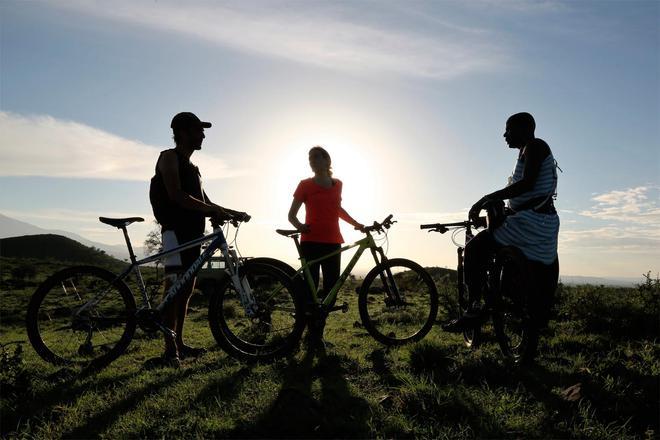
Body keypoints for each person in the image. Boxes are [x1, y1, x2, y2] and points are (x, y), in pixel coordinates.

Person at [443, 112, 560, 332]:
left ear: (525, 129)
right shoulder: (530, 150)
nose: (504, 134)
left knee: (476, 247)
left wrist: (488, 198)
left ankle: (475, 307)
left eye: (509, 129)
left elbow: (526, 184)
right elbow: (528, 189)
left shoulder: (535, 146)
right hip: (543, 223)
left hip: (530, 222)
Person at [149, 111, 247, 367]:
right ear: (182, 132)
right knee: (173, 287)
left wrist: (230, 212)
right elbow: (176, 195)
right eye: (197, 129)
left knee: (187, 289)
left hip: (193, 234)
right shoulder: (168, 158)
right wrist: (211, 210)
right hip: (175, 231)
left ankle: (179, 343)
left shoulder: (194, 168)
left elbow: (206, 202)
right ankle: (170, 350)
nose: (202, 134)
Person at [287, 146, 364, 347]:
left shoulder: (338, 184)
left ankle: (317, 335)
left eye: (316, 157)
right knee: (310, 293)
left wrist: (356, 224)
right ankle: (309, 336)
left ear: (327, 160)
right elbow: (291, 215)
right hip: (310, 243)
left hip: (332, 243)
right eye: (310, 158)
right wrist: (301, 227)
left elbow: (337, 209)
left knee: (331, 290)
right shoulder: (304, 185)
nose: (312, 161)